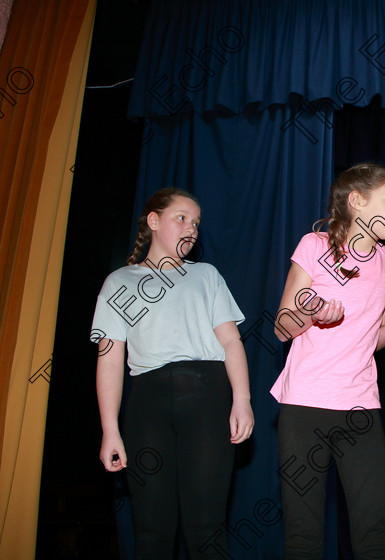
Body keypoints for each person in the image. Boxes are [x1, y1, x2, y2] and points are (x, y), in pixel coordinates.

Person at [270, 163, 385, 560]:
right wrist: (310, 314)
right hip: (304, 405)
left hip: (360, 408)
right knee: (303, 534)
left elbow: (372, 338)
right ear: (357, 202)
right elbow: (282, 327)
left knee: (373, 532)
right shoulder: (315, 247)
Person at [91, 188, 254, 559]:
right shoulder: (119, 282)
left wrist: (242, 400)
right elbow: (111, 359)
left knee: (207, 526)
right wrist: (110, 430)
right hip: (147, 404)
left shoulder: (206, 276)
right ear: (153, 221)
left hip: (208, 400)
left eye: (196, 222)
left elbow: (231, 343)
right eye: (182, 218)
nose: (191, 228)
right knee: (150, 527)